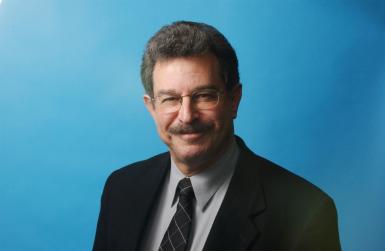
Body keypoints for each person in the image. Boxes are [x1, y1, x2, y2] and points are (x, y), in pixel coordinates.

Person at [92, 21, 341, 251]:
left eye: (204, 96)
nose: (187, 116)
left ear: (234, 100)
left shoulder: (307, 214)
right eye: (170, 99)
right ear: (151, 107)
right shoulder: (120, 189)